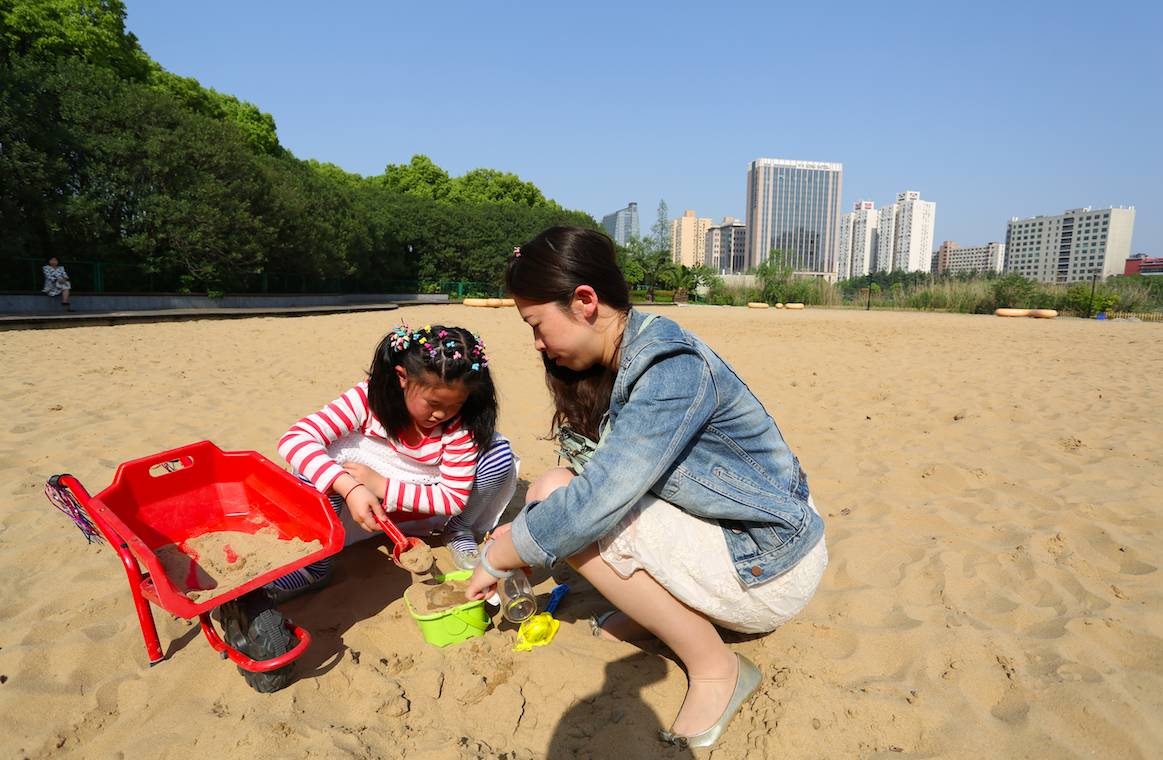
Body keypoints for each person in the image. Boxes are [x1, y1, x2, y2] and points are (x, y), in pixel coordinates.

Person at [465, 227, 827, 749]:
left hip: (769, 564)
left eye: (537, 325)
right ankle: (659, 618)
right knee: (553, 488)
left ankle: (717, 669)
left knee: (565, 505)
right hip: (734, 535)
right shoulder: (618, 359)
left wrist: (502, 553)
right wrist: (526, 537)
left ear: (584, 301)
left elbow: (598, 499)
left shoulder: (671, 368)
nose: (538, 344)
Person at [269, 323, 517, 599]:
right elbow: (295, 438)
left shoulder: (462, 424)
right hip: (361, 487)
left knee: (497, 454)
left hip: (419, 488)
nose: (441, 414)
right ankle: (316, 566)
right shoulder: (368, 398)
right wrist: (350, 487)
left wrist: (381, 486)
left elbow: (452, 499)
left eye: (455, 405)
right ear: (402, 377)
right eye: (433, 403)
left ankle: (458, 529)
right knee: (317, 465)